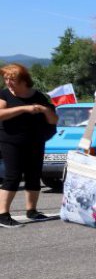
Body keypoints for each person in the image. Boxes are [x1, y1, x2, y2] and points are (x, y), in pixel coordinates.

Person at [0, 63, 58, 227]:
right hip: (11, 141)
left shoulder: (38, 96)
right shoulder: (4, 95)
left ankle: (32, 211)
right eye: (6, 79)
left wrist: (45, 110)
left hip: (35, 140)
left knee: (34, 175)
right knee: (13, 175)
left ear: (24, 80)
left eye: (12, 79)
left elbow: (54, 120)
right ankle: (2, 215)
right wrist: (24, 109)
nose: (8, 83)